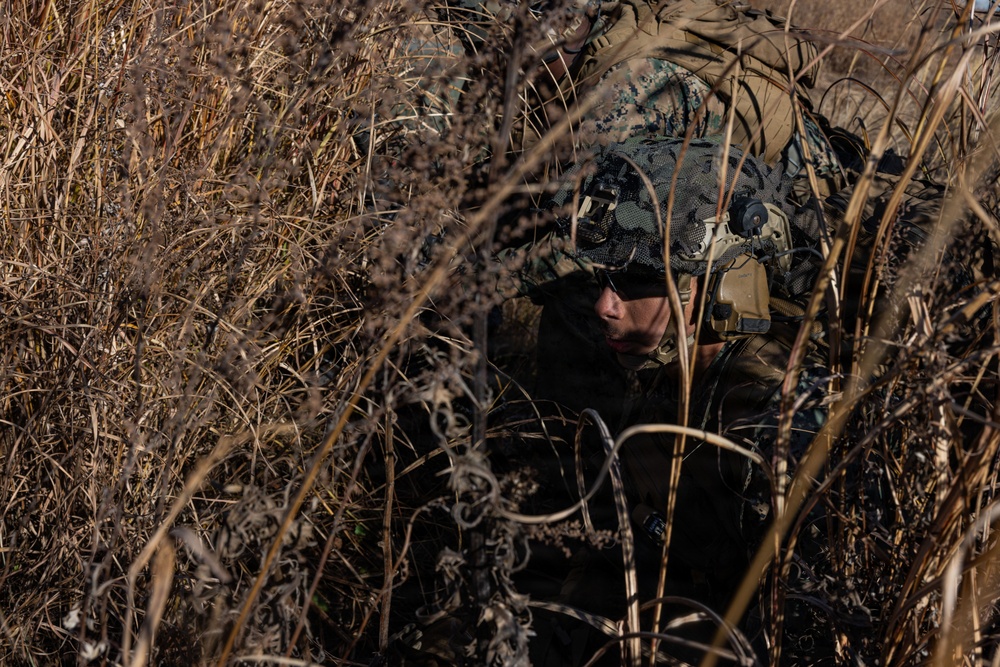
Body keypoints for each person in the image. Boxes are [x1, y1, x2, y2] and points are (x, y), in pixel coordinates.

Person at [524, 135, 832, 664]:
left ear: (713, 287)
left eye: (635, 281)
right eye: (604, 278)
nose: (604, 305)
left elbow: (804, 625)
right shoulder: (671, 372)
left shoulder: (768, 416)